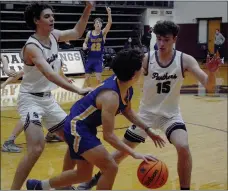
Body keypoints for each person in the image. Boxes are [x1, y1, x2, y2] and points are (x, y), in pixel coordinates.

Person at [77, 20, 219, 190]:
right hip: (145, 115)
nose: (161, 43)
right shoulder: (147, 59)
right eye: (158, 39)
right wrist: (97, 90)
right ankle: (95, 179)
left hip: (171, 115)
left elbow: (209, 86)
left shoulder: (185, 60)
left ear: (175, 39)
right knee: (122, 153)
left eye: (166, 39)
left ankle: (185, 188)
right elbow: (121, 78)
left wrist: (211, 72)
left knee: (183, 146)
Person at [26, 48, 165, 190]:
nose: (143, 68)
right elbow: (108, 136)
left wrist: (148, 130)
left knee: (84, 174)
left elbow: (128, 111)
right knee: (110, 167)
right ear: (134, 74)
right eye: (141, 66)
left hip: (83, 125)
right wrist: (134, 153)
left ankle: (38, 186)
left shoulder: (126, 87)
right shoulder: (111, 97)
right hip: (77, 126)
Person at [10, 2, 94, 189]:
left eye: (52, 16)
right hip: (30, 99)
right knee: (36, 148)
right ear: (36, 20)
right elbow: (50, 74)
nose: (52, 19)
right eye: (47, 16)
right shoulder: (32, 46)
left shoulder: (54, 36)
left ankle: (64, 184)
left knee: (74, 139)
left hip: (48, 99)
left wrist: (88, 8)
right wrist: (78, 90)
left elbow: (77, 32)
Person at [0, 57, 74, 153]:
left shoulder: (56, 58)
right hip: (31, 96)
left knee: (57, 116)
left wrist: (66, 79)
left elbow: (59, 71)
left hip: (47, 96)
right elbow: (20, 73)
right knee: (27, 118)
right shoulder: (38, 60)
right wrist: (5, 83)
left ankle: (51, 134)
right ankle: (9, 141)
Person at [83, 7, 112, 86]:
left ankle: (97, 92)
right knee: (87, 78)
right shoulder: (89, 33)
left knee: (98, 79)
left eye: (99, 22)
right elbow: (85, 42)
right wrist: (84, 46)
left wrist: (109, 13)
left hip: (98, 59)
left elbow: (109, 24)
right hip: (89, 58)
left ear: (102, 25)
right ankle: (88, 91)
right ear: (94, 24)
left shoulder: (103, 33)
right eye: (96, 22)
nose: (98, 24)